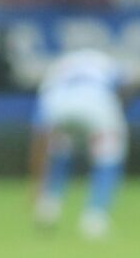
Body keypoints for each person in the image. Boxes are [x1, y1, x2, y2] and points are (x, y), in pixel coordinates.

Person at [30, 48, 130, 240]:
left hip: (60, 107)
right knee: (109, 159)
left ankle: (48, 206)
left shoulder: (57, 68)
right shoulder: (104, 60)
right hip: (98, 105)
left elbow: (40, 133)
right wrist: (120, 109)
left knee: (59, 150)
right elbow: (128, 85)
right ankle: (95, 218)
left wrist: (36, 184)